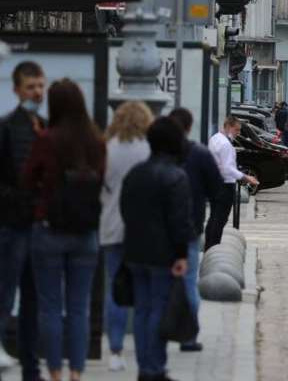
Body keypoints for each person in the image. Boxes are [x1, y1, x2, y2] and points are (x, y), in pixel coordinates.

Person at [23, 79, 107, 381]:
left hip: (49, 231)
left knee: (49, 307)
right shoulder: (97, 142)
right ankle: (77, 373)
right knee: (78, 307)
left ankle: (55, 372)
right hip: (85, 234)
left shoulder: (47, 139)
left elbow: (27, 179)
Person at [120, 117, 196, 381]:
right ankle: (154, 368)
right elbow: (179, 221)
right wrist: (181, 254)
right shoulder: (176, 176)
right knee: (158, 310)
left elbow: (125, 210)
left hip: (135, 251)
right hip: (163, 255)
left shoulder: (135, 173)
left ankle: (145, 366)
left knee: (141, 310)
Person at [0, 61, 46, 381]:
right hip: (13, 225)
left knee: (34, 300)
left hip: (39, 226)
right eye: (31, 87)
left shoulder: (44, 127)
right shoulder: (6, 127)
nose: (38, 92)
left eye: (41, 86)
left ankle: (31, 367)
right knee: (4, 296)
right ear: (17, 90)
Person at [99, 101, 153, 372]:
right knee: (143, 289)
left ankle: (115, 349)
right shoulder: (147, 149)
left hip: (111, 225)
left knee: (114, 289)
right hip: (141, 229)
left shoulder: (107, 148)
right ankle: (144, 349)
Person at [169, 108, 223, 352]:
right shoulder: (200, 155)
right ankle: (188, 337)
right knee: (189, 282)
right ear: (190, 127)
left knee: (160, 283)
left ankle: (155, 333)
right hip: (190, 227)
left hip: (161, 229)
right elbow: (217, 190)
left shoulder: (159, 153)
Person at [205, 116, 259, 251]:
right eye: (237, 130)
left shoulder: (215, 138)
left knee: (214, 217)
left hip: (214, 183)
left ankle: (209, 246)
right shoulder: (225, 145)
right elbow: (228, 168)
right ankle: (213, 247)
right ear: (228, 126)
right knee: (220, 220)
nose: (238, 133)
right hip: (225, 185)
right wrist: (246, 177)